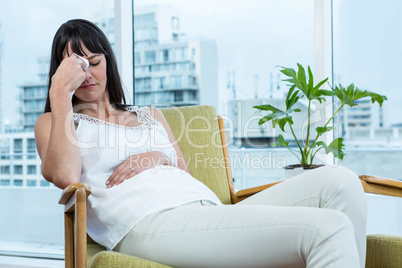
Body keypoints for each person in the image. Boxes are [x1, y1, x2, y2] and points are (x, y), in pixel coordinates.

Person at [35, 19, 367, 268]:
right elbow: (64, 176)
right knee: (329, 228)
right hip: (145, 223)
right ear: (61, 73)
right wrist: (59, 93)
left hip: (205, 210)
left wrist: (154, 157)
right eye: (76, 68)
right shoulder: (57, 121)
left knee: (341, 182)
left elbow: (183, 171)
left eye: (94, 62)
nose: (88, 75)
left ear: (108, 61)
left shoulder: (149, 114)